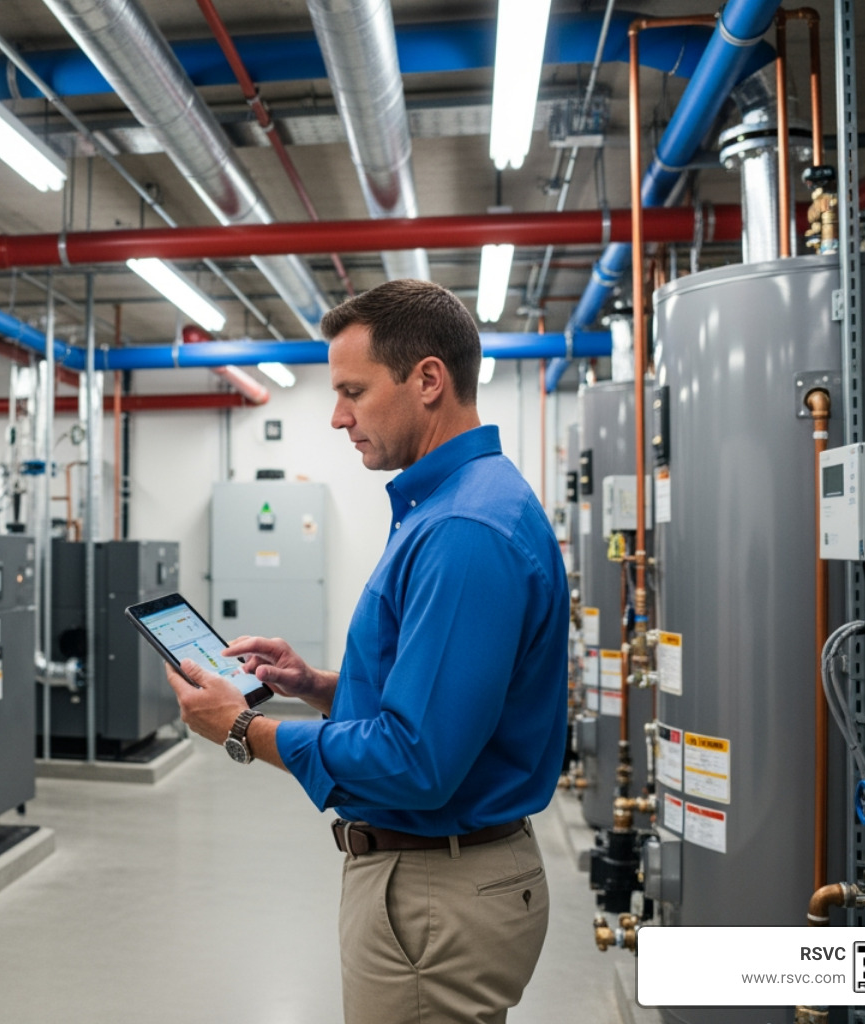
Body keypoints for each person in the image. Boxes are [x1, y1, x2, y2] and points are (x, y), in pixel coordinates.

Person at [166, 279, 569, 1024]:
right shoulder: (459, 505)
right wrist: (318, 684)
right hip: (438, 880)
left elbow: (416, 760)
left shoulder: (463, 530)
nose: (337, 415)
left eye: (353, 389)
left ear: (427, 380)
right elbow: (446, 698)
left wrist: (241, 729)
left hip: (434, 894)